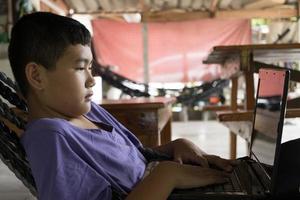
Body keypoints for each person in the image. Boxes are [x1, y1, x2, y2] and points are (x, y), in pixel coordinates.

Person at [8, 12, 235, 200]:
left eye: (90, 68)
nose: (91, 79)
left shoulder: (90, 111)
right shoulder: (50, 137)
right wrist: (169, 175)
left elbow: (134, 158)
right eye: (80, 68)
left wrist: (176, 147)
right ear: (36, 76)